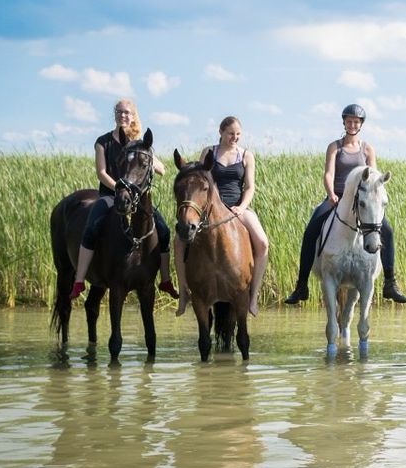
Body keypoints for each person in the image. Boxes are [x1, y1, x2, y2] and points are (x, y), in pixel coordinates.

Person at [283, 104, 406, 304]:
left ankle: (390, 283)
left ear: (361, 125)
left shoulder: (367, 149)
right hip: (337, 198)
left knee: (387, 231)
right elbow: (328, 173)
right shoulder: (335, 147)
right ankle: (301, 286)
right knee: (311, 230)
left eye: (356, 122)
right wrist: (331, 194)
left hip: (361, 201)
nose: (352, 124)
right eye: (349, 121)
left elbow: (373, 178)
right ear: (344, 122)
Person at [69, 99, 179, 300]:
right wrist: (120, 188)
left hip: (136, 199)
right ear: (115, 114)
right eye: (119, 112)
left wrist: (149, 161)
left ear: (133, 115)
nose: (123, 115)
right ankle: (79, 280)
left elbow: (162, 169)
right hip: (110, 196)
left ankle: (165, 279)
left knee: (162, 229)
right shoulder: (103, 142)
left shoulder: (138, 143)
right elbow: (101, 173)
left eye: (127, 112)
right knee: (92, 227)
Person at [175, 116, 270, 317]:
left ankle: (252, 297)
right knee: (178, 241)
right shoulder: (209, 153)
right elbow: (199, 180)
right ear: (221, 132)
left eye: (237, 134)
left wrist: (242, 207)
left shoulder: (246, 155)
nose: (234, 138)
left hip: (237, 208)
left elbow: (250, 187)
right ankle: (184, 293)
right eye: (230, 134)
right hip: (209, 210)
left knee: (262, 243)